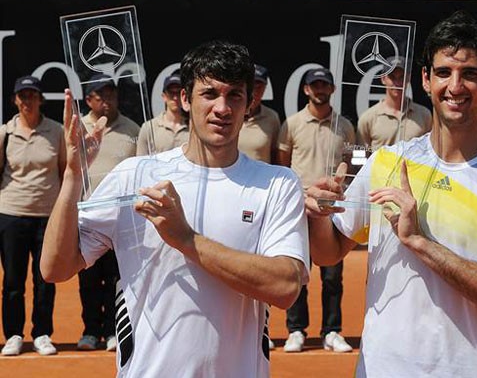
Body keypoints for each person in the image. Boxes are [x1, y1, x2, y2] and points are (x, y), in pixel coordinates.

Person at [303, 11, 477, 377]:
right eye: (443, 72)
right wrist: (316, 214)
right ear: (425, 79)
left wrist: (420, 242)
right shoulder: (387, 161)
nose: (455, 86)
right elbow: (327, 252)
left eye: (470, 74)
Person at [41, 40, 308, 377]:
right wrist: (72, 177)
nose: (222, 108)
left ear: (250, 102)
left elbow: (285, 287)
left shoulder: (277, 183)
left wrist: (186, 239)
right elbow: (55, 267)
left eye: (234, 95)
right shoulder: (134, 174)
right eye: (209, 94)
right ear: (185, 98)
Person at [278, 67, 355, 353]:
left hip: (332, 211)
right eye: (315, 85)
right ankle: (296, 330)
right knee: (298, 270)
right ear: (306, 90)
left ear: (332, 90)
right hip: (298, 209)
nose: (320, 89)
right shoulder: (292, 124)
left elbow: (351, 164)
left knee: (333, 276)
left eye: (325, 85)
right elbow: (282, 163)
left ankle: (332, 331)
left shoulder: (345, 126)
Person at [0, 76, 64, 356]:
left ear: (40, 99)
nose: (28, 101)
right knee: (13, 281)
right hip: (11, 213)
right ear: (15, 100)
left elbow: (64, 171)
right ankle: (14, 334)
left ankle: (42, 334)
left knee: (44, 278)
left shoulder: (57, 131)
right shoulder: (4, 133)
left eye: (32, 95)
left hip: (48, 216)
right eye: (22, 96)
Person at [76, 74, 140, 352]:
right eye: (100, 95)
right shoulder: (77, 128)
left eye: (110, 94)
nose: (106, 100)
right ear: (89, 100)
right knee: (88, 278)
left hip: (122, 219)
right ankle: (90, 331)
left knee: (118, 277)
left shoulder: (132, 129)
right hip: (87, 217)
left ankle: (114, 330)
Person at [357, 55, 431, 152]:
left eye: (401, 77)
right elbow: (362, 158)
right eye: (392, 77)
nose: (397, 83)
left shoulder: (424, 115)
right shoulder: (368, 118)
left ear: (408, 79)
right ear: (383, 79)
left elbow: (430, 152)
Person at [136, 70, 189, 156]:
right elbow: (141, 162)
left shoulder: (193, 127)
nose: (175, 98)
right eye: (171, 93)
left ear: (183, 96)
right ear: (164, 96)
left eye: (178, 93)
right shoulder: (149, 128)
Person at [238, 64, 281, 164]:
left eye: (259, 86)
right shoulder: (229, 113)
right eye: (251, 85)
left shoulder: (272, 117)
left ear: (265, 88)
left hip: (262, 178)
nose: (254, 91)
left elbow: (276, 155)